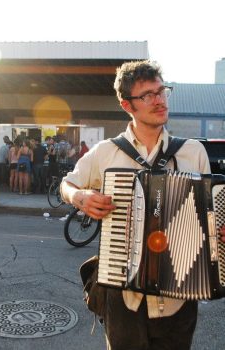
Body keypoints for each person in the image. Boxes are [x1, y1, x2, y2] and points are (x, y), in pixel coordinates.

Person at [60, 60, 211, 350]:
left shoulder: (194, 152)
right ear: (127, 105)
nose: (159, 100)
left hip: (179, 296)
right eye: (147, 96)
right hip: (122, 296)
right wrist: (80, 198)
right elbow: (67, 184)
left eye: (161, 91)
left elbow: (210, 217)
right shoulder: (106, 153)